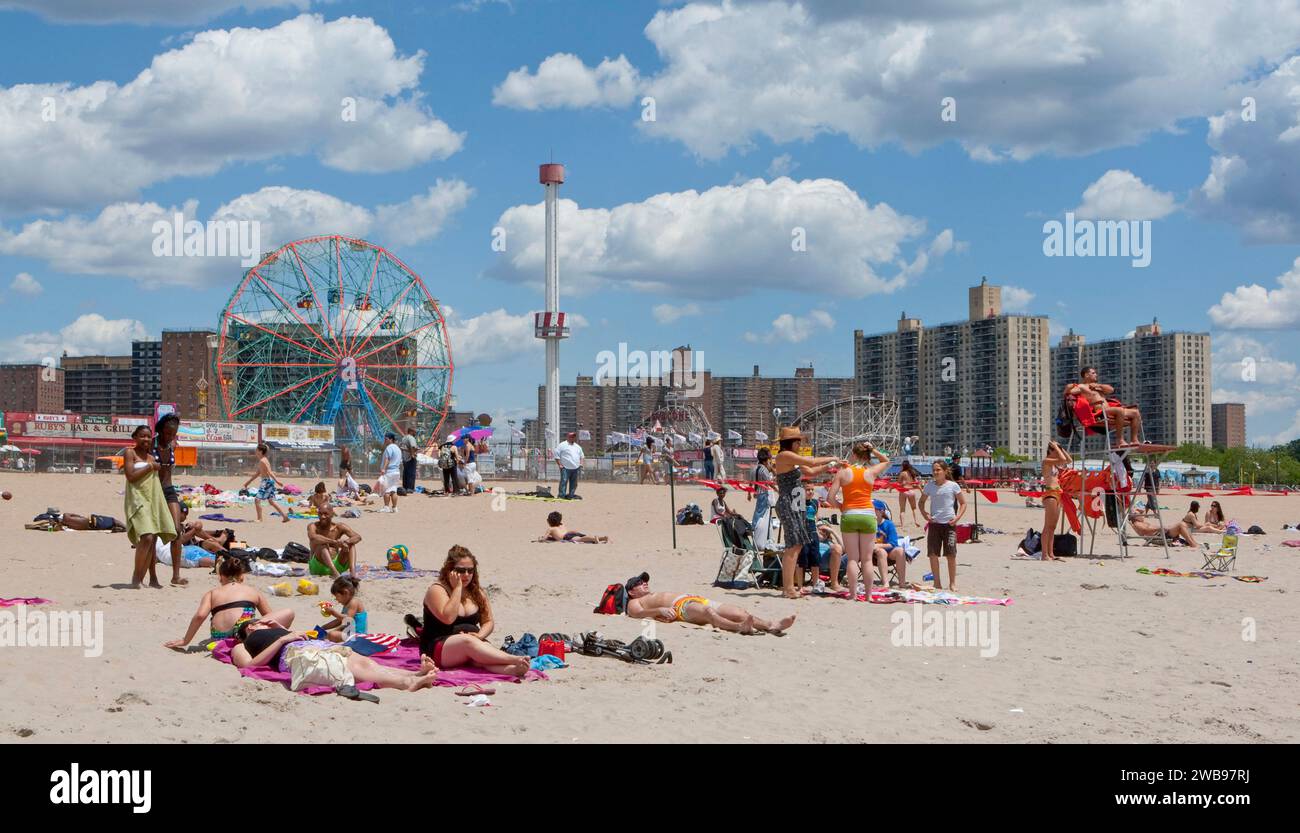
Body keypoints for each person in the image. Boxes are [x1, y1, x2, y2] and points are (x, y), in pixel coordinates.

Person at [232, 619, 439, 691]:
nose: (266, 622)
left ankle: (412, 675)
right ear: (250, 627)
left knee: (364, 661)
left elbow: (286, 614)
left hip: (315, 644)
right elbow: (248, 666)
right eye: (260, 622)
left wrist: (280, 630)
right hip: (295, 653)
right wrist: (281, 639)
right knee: (353, 668)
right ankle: (404, 684)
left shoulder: (277, 630)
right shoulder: (243, 644)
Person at [418, 546, 531, 677]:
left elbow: (488, 621)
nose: (466, 575)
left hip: (471, 643)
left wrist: (480, 636)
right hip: (438, 647)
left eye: (470, 570)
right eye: (461, 570)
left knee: (481, 655)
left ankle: (513, 670)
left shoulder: (477, 592)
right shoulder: (437, 590)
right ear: (450, 570)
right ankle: (513, 659)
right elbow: (448, 618)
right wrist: (457, 588)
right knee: (468, 642)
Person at [771, 426, 842, 599]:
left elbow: (811, 471)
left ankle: (789, 586)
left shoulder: (792, 459)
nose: (800, 444)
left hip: (795, 503)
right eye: (798, 441)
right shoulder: (784, 455)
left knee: (796, 544)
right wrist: (833, 458)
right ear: (792, 442)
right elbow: (810, 462)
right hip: (788, 502)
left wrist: (830, 466)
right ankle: (788, 587)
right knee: (792, 545)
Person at [163, 553, 292, 647]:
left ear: (221, 577)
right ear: (242, 576)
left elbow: (200, 616)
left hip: (218, 638)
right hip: (242, 635)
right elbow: (269, 617)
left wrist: (185, 640)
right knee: (289, 613)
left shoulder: (212, 593)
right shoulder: (252, 591)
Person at [624, 572, 796, 635]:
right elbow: (637, 614)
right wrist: (659, 609)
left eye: (644, 581)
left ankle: (771, 625)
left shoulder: (652, 593)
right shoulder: (635, 601)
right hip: (679, 607)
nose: (644, 583)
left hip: (692, 599)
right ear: (631, 591)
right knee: (707, 612)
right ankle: (739, 628)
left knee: (739, 611)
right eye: (639, 583)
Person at [825, 440, 891, 596]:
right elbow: (886, 461)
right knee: (867, 559)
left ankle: (853, 594)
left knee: (853, 558)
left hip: (850, 514)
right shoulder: (871, 472)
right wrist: (874, 450)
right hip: (868, 514)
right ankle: (868, 595)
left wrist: (841, 507)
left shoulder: (843, 472)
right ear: (867, 457)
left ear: (853, 455)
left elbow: (830, 497)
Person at [122, 424, 177, 589]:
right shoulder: (129, 452)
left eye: (148, 436)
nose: (145, 439)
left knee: (151, 539)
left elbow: (157, 483)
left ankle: (141, 577)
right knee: (146, 536)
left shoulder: (151, 458)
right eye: (142, 436)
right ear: (135, 438)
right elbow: (130, 476)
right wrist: (149, 467)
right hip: (136, 500)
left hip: (150, 500)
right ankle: (136, 577)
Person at [1068, 366, 1145, 447]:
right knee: (1119, 410)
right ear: (1086, 375)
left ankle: (1134, 440)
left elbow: (1111, 390)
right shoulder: (1082, 387)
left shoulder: (1098, 387)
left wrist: (1098, 386)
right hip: (1098, 413)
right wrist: (1071, 388)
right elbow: (1071, 392)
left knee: (1135, 413)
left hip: (1109, 411)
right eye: (1093, 373)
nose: (1096, 375)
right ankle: (1119, 440)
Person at [919, 460, 966, 592]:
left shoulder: (953, 486)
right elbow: (921, 502)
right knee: (933, 554)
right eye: (934, 470)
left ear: (945, 471)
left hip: (949, 525)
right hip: (934, 524)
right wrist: (924, 514)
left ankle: (952, 583)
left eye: (938, 469)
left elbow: (963, 503)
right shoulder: (929, 486)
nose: (935, 472)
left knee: (951, 555)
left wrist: (957, 518)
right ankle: (937, 582)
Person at [153, 413, 188, 587]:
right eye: (167, 433)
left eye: (173, 434)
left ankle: (176, 575)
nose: (170, 437)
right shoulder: (151, 445)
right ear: (160, 430)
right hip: (153, 491)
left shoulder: (172, 445)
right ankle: (152, 576)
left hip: (168, 489)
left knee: (176, 530)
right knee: (152, 534)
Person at [307, 504, 362, 577]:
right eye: (320, 514)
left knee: (351, 544)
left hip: (337, 565)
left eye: (325, 514)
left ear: (332, 514)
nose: (322, 517)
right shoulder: (313, 526)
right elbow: (313, 537)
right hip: (318, 566)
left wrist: (345, 542)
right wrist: (334, 542)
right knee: (322, 545)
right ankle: (335, 573)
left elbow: (357, 537)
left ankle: (353, 573)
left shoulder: (339, 527)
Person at [1040, 440, 1073, 561]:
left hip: (1058, 493)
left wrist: (1060, 447)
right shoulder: (1046, 461)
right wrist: (1055, 447)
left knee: (1053, 527)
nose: (1058, 452)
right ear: (1050, 450)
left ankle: (1050, 553)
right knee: (1047, 526)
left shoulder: (1055, 464)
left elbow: (1068, 460)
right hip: (1050, 493)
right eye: (1055, 449)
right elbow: (1063, 460)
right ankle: (1044, 554)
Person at [242, 444, 290, 524]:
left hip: (266, 482)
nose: (255, 451)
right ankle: (284, 516)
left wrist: (277, 481)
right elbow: (258, 473)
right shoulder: (263, 460)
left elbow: (269, 472)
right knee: (271, 501)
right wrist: (248, 482)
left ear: (260, 451)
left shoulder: (263, 461)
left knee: (257, 500)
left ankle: (259, 519)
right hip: (268, 481)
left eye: (257, 450)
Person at [320, 575, 368, 642]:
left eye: (337, 596)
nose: (336, 599)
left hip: (358, 636)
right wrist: (323, 627)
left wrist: (333, 612)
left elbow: (348, 619)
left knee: (331, 634)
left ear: (346, 593)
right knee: (331, 634)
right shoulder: (346, 604)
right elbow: (339, 620)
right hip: (350, 634)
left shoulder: (354, 602)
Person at [872, 502, 908, 587]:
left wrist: (878, 545)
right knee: (881, 552)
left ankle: (902, 583)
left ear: (882, 511)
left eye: (874, 509)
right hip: (873, 555)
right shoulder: (868, 524)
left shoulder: (889, 524)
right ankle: (885, 583)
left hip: (889, 553)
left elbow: (893, 543)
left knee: (900, 550)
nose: (872, 511)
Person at [749, 447, 774, 540]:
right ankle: (755, 527)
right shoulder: (764, 469)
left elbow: (751, 482)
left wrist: (749, 493)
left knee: (759, 510)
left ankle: (757, 526)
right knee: (761, 511)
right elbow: (769, 482)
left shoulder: (754, 468)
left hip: (757, 492)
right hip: (763, 492)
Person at [537, 510, 609, 543]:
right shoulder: (562, 524)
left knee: (580, 539)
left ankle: (594, 539)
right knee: (582, 537)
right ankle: (603, 538)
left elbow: (544, 538)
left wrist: (540, 539)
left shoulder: (551, 529)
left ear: (549, 521)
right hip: (571, 533)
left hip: (566, 537)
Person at [1131, 514, 1198, 547]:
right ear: (1135, 517)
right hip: (1159, 535)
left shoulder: (1141, 523)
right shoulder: (1137, 523)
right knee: (1181, 525)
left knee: (1183, 525)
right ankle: (1192, 544)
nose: (1142, 515)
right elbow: (1144, 530)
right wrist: (1160, 528)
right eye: (1139, 514)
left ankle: (1193, 543)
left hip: (1160, 533)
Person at [554, 431, 585, 500]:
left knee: (574, 483)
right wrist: (560, 464)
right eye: (571, 436)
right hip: (565, 467)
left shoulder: (578, 447)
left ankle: (571, 495)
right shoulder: (562, 445)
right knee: (564, 481)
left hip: (575, 468)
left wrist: (581, 464)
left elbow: (582, 456)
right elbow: (556, 455)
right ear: (567, 437)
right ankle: (561, 495)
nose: (572, 438)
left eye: (574, 436)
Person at [379, 432, 402, 512]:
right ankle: (395, 507)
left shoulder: (389, 448)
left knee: (387, 490)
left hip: (389, 471)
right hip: (396, 471)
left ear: (391, 439)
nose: (385, 441)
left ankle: (386, 507)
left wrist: (383, 469)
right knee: (394, 490)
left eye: (386, 439)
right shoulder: (398, 448)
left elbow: (387, 459)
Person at [896, 460, 922, 526]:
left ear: (903, 466)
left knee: (902, 509)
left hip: (903, 491)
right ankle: (916, 521)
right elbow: (917, 483)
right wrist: (921, 491)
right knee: (914, 508)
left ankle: (902, 525)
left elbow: (898, 483)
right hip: (911, 491)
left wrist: (891, 487)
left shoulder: (902, 473)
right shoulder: (912, 473)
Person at [401, 426, 420, 492]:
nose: (415, 433)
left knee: (405, 473)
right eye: (415, 432)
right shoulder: (411, 438)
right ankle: (410, 488)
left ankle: (405, 487)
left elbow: (403, 447)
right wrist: (412, 454)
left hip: (404, 458)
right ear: (411, 432)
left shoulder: (404, 438)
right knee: (411, 473)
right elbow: (413, 446)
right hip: (410, 458)